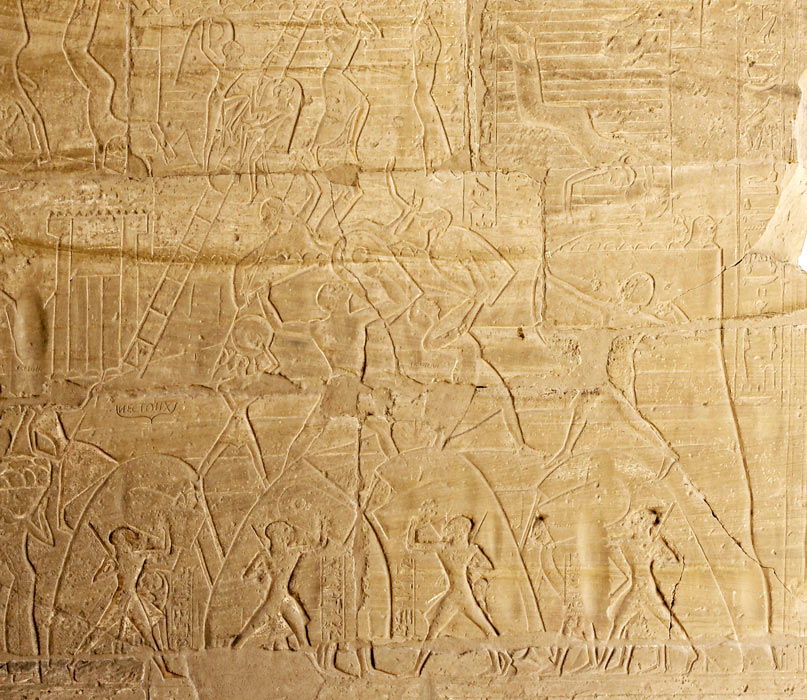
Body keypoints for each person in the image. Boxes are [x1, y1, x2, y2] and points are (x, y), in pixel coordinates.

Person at [232, 520, 326, 649]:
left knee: (302, 636)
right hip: (275, 599)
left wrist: (321, 533)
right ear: (274, 537)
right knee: (252, 627)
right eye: (282, 536)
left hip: (285, 598)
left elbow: (315, 547)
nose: (285, 540)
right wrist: (260, 573)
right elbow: (247, 576)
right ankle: (236, 646)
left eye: (286, 537)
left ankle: (304, 651)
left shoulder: (291, 553)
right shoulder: (266, 556)